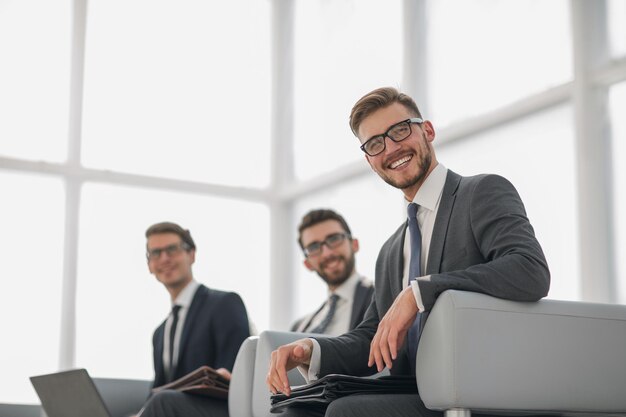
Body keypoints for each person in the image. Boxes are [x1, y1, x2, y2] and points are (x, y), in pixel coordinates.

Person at [266, 87, 550, 417]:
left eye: (400, 130)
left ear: (427, 130)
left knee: (347, 412)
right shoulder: (391, 250)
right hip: (413, 392)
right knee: (296, 411)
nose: (391, 148)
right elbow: (371, 338)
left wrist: (419, 293)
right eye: (375, 144)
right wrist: (308, 349)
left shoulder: (481, 192)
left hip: (481, 392)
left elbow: (529, 271)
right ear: (371, 162)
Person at [139, 222, 250, 417]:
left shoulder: (224, 304)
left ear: (191, 254)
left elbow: (235, 373)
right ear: (149, 265)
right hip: (169, 409)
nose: (164, 258)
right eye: (156, 253)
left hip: (220, 410)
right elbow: (158, 388)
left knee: (163, 401)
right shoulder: (160, 333)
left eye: (172, 249)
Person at [291, 209, 374, 336]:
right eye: (313, 247)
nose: (327, 253)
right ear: (308, 264)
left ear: (354, 244)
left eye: (334, 239)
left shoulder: (380, 298)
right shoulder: (299, 327)